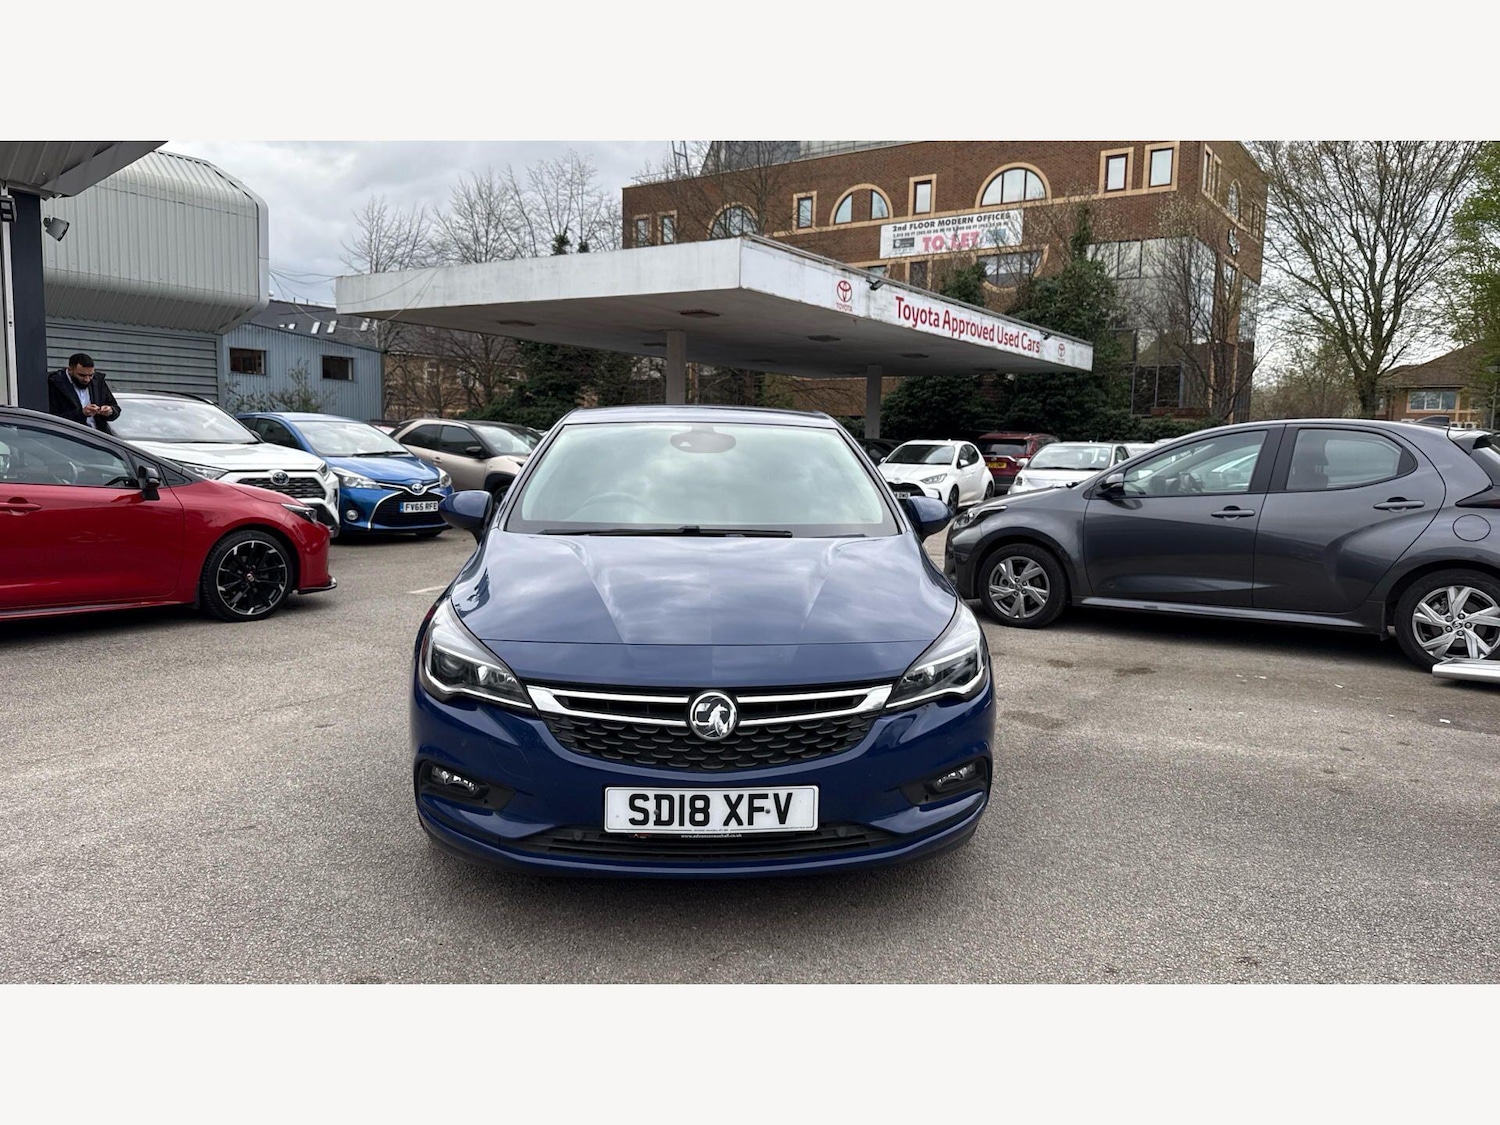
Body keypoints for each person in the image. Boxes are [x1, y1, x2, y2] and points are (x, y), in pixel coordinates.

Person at [46, 353, 122, 434]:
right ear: (70, 370)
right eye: (82, 375)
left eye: (91, 375)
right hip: (70, 437)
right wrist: (82, 413)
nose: (87, 379)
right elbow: (52, 418)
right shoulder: (55, 383)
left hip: (99, 436)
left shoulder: (98, 381)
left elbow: (115, 408)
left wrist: (110, 411)